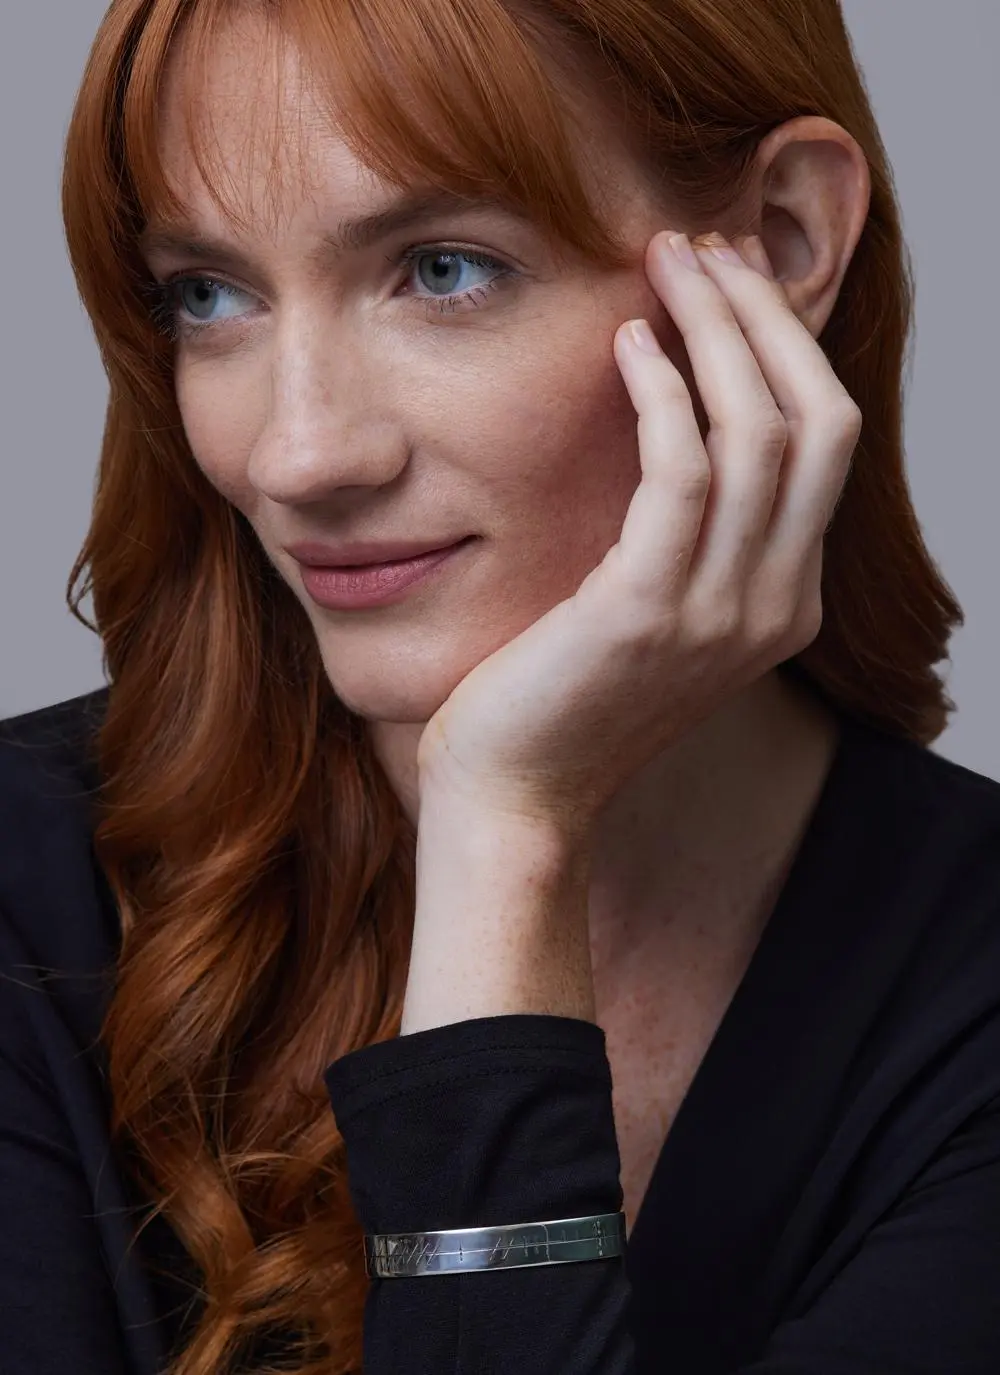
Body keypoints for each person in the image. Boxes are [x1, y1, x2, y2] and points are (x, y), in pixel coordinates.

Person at [2, 0, 999, 1372]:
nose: (297, 455)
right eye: (210, 295)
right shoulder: (24, 898)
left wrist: (506, 829)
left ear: (780, 241)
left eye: (445, 270)